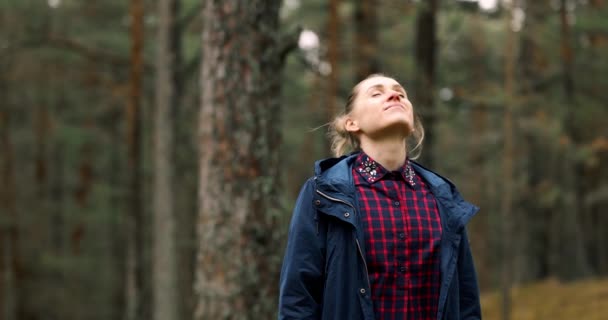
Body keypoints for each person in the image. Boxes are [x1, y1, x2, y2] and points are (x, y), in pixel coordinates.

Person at [278, 74, 481, 320]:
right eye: (376, 93)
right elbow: (298, 300)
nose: (395, 95)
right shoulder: (324, 193)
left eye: (401, 93)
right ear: (352, 123)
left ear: (413, 124)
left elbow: (466, 304)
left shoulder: (444, 198)